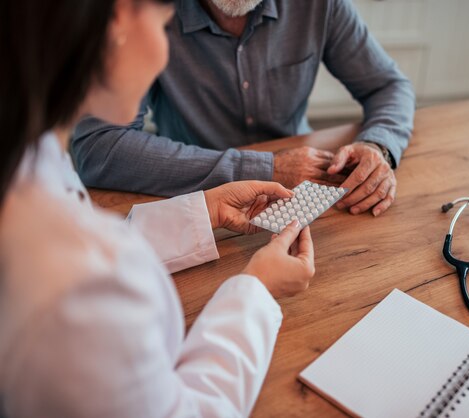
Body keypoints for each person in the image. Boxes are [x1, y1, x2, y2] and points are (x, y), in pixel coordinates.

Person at [0, 0, 315, 416]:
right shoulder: (83, 288)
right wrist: (256, 290)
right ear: (118, 19)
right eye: (165, 23)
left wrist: (203, 211)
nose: (166, 50)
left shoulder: (30, 153)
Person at [72, 0, 416, 217]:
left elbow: (388, 85)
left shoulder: (320, 5)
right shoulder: (143, 12)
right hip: (192, 199)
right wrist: (263, 168)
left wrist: (379, 146)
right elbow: (97, 145)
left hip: (306, 190)